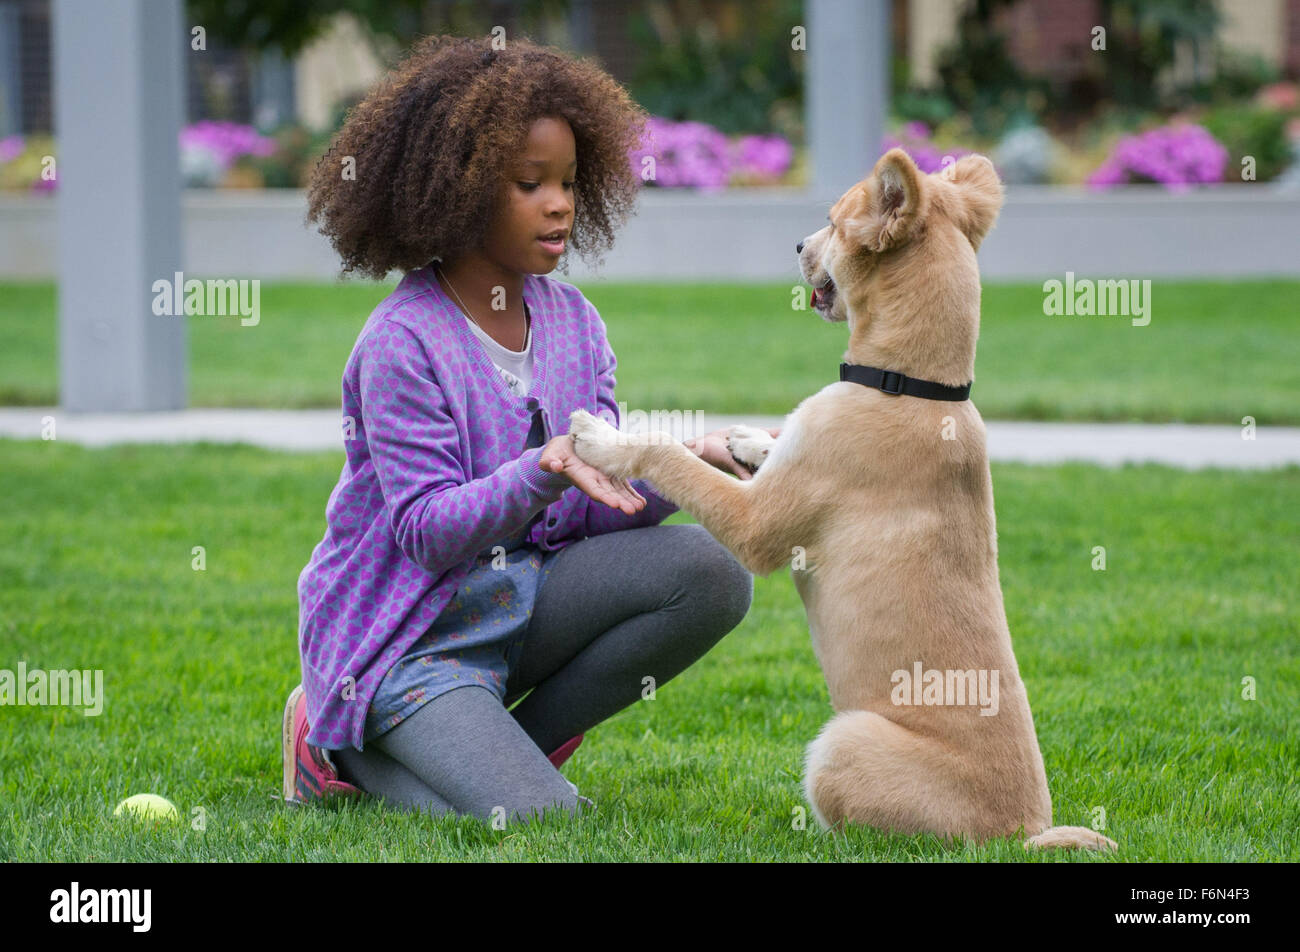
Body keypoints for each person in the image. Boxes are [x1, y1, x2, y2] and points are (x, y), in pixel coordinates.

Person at [283, 35, 756, 825]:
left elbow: (589, 509)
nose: (561, 202)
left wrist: (686, 463)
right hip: (407, 643)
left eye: (569, 181)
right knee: (539, 820)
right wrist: (542, 465)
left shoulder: (575, 323)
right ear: (458, 191)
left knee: (713, 572)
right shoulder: (402, 343)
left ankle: (501, 751)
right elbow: (428, 533)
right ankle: (333, 743)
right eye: (529, 183)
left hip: (518, 603)